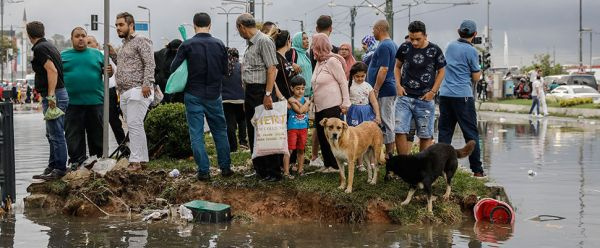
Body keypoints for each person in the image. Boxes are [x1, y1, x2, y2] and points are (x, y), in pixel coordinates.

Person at [170, 12, 233, 181]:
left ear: (194, 25)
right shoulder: (219, 44)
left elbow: (173, 68)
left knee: (196, 134)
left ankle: (204, 171)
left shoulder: (187, 45)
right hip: (214, 94)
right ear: (210, 25)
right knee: (220, 131)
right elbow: (226, 71)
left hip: (193, 94)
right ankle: (225, 167)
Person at [236, 13, 283, 182]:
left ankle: (273, 172)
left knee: (265, 131)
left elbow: (271, 69)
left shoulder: (264, 41)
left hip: (261, 91)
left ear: (242, 26)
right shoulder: (250, 44)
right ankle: (260, 170)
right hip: (250, 91)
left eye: (238, 29)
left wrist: (268, 94)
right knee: (253, 130)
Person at [437, 20, 485, 178]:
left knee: (445, 132)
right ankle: (477, 170)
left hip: (444, 95)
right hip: (463, 96)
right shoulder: (472, 51)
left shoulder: (450, 46)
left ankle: (441, 167)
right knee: (471, 133)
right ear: (475, 34)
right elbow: (476, 77)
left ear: (458, 31)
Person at [108, 12, 155, 171]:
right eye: (116, 25)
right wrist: (113, 53)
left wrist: (147, 83)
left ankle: (135, 161)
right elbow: (123, 65)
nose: (118, 28)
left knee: (134, 124)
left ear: (131, 25)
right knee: (134, 125)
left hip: (138, 89)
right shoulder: (123, 46)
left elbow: (149, 63)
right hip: (124, 91)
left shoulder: (141, 40)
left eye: (121, 25)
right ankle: (142, 159)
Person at [394, 20, 446, 155]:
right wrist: (398, 85)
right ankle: (403, 166)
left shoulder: (434, 50)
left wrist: (433, 91)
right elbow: (397, 67)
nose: (415, 42)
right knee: (400, 130)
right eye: (412, 39)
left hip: (425, 99)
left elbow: (442, 71)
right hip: (404, 97)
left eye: (418, 39)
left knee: (425, 134)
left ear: (425, 36)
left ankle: (422, 168)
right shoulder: (404, 48)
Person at [62, 27, 111, 170]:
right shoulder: (63, 55)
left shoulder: (97, 54)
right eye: (77, 36)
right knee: (73, 135)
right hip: (72, 103)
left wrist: (110, 70)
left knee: (97, 133)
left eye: (83, 35)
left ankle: (98, 161)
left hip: (95, 101)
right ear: (72, 39)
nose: (81, 38)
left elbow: (109, 72)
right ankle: (77, 161)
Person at [28, 21, 70, 180]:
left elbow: (52, 71)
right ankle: (52, 166)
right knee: (51, 133)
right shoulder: (49, 46)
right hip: (57, 94)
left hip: (54, 95)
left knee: (56, 133)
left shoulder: (40, 49)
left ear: (29, 35)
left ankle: (59, 168)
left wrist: (51, 96)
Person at [311, 33, 351, 173]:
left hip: (331, 105)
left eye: (314, 45)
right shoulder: (319, 61)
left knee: (333, 137)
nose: (312, 48)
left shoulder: (333, 61)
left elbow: (343, 82)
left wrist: (346, 103)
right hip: (319, 106)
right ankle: (327, 164)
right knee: (323, 136)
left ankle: (335, 165)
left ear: (319, 46)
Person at [86, 35, 127, 147]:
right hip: (93, 93)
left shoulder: (104, 55)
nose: (87, 45)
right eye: (86, 43)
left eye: (89, 42)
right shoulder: (84, 57)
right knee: (94, 123)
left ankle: (124, 148)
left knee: (114, 122)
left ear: (96, 44)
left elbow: (116, 69)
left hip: (108, 91)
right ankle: (98, 153)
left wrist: (110, 71)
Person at [368, 20, 397, 158]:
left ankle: (389, 155)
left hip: (384, 90)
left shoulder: (385, 46)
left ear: (379, 28)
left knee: (386, 121)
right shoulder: (389, 44)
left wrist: (376, 88)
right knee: (385, 120)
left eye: (373, 29)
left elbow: (384, 69)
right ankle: (384, 154)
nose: (372, 32)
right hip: (386, 89)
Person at [283, 76, 311, 179]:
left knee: (301, 149)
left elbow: (305, 110)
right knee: (289, 150)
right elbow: (300, 111)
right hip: (292, 128)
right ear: (292, 88)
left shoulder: (299, 100)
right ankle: (286, 172)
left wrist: (302, 104)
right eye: (298, 88)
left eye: (303, 88)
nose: (300, 91)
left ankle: (300, 170)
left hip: (303, 128)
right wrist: (307, 103)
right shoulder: (291, 100)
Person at [222, 48, 248, 152]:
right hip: (240, 99)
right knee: (242, 120)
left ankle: (233, 147)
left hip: (225, 100)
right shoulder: (241, 66)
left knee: (229, 123)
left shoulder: (223, 68)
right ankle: (243, 142)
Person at [347, 62, 381, 127]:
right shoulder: (348, 85)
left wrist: (378, 115)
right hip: (353, 111)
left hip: (366, 112)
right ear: (352, 75)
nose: (360, 78)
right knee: (354, 129)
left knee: (366, 129)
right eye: (357, 76)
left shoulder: (368, 86)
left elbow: (374, 102)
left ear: (366, 74)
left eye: (362, 76)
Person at [285, 32, 312, 96]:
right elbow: (282, 64)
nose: (307, 41)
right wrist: (291, 64)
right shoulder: (291, 52)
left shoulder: (306, 54)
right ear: (298, 40)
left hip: (307, 92)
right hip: (296, 93)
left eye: (307, 38)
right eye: (304, 39)